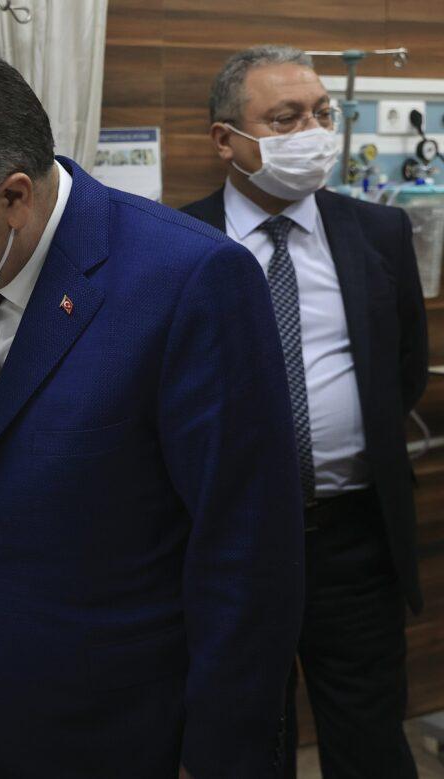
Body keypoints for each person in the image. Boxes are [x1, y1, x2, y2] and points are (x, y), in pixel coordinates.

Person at [0, 39, 305, 778]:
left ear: (14, 196)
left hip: (126, 732)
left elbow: (249, 555)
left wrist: (218, 758)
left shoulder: (188, 283)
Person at [182, 45, 429, 779]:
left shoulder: (377, 234)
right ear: (227, 139)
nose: (314, 130)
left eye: (324, 112)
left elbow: (402, 371)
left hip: (354, 538)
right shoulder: (179, 245)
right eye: (286, 118)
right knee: (251, 740)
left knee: (371, 735)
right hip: (234, 543)